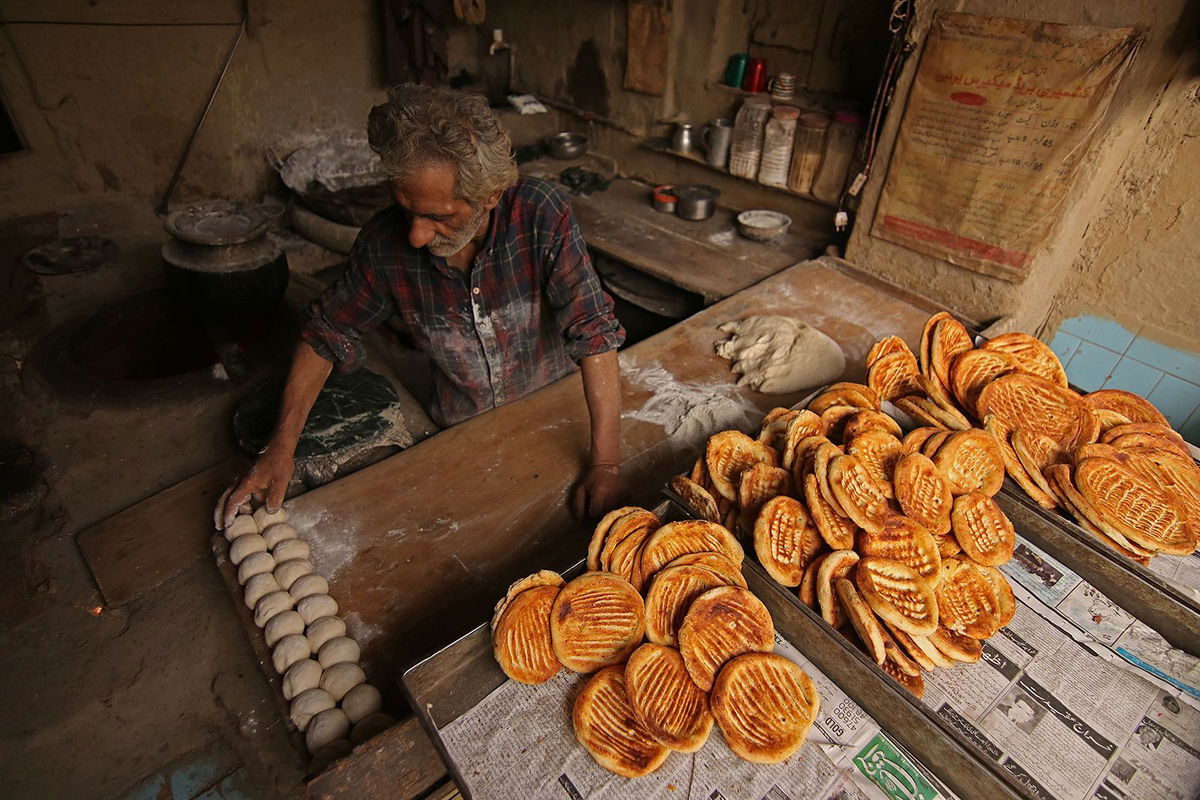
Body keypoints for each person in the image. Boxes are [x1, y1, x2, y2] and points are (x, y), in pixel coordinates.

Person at [216, 84, 627, 529]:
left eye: (438, 216)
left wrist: (605, 464)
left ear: (489, 196)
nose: (415, 234)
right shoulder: (382, 244)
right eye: (406, 210)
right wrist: (281, 448)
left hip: (554, 414)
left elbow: (594, 331)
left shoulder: (540, 215)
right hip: (458, 430)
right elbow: (323, 335)